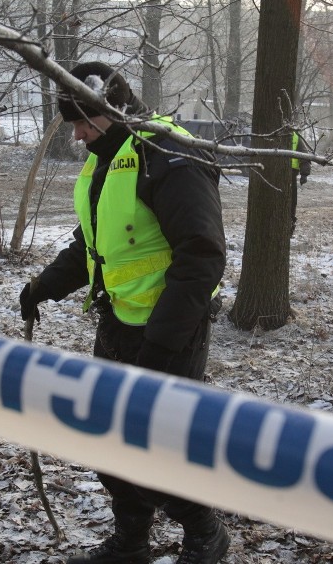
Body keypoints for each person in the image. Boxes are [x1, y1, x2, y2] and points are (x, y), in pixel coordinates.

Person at [18, 61, 229, 564]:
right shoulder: (105, 159)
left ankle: (205, 532)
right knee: (107, 436)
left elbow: (202, 255)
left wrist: (163, 342)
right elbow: (94, 244)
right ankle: (132, 541)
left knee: (156, 442)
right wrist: (43, 286)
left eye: (85, 122)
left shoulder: (168, 154)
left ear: (114, 108)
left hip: (171, 330)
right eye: (72, 123)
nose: (78, 134)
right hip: (118, 322)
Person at [290, 131, 312, 236]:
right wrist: (304, 174)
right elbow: (304, 155)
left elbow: (304, 156)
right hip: (289, 174)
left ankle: (290, 225)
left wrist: (304, 174)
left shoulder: (295, 137)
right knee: (291, 202)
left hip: (290, 175)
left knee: (291, 203)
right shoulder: (296, 136)